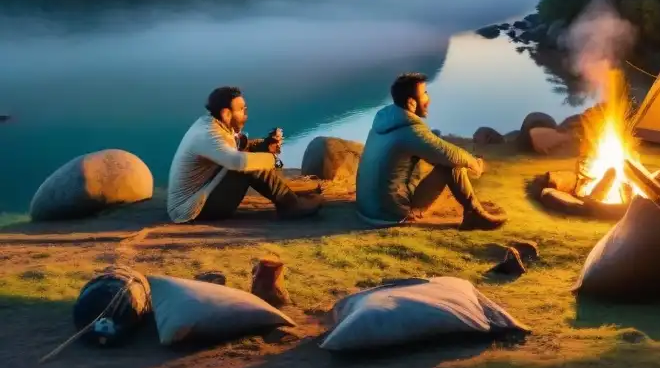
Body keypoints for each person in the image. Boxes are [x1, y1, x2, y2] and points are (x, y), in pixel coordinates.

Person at [356, 73, 506, 230]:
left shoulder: (385, 121)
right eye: (425, 94)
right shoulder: (411, 131)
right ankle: (475, 214)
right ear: (411, 102)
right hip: (390, 214)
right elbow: (450, 155)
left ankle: (474, 211)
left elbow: (430, 146)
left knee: (438, 149)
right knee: (452, 165)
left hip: (366, 209)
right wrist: (476, 164)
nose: (429, 99)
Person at [167, 86, 322, 223]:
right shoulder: (208, 134)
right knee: (245, 163)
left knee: (247, 157)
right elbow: (237, 161)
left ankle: (289, 199)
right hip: (192, 210)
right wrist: (272, 160)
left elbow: (236, 145)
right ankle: (291, 206)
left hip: (201, 195)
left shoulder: (212, 124)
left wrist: (264, 144)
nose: (245, 114)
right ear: (226, 114)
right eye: (241, 110)